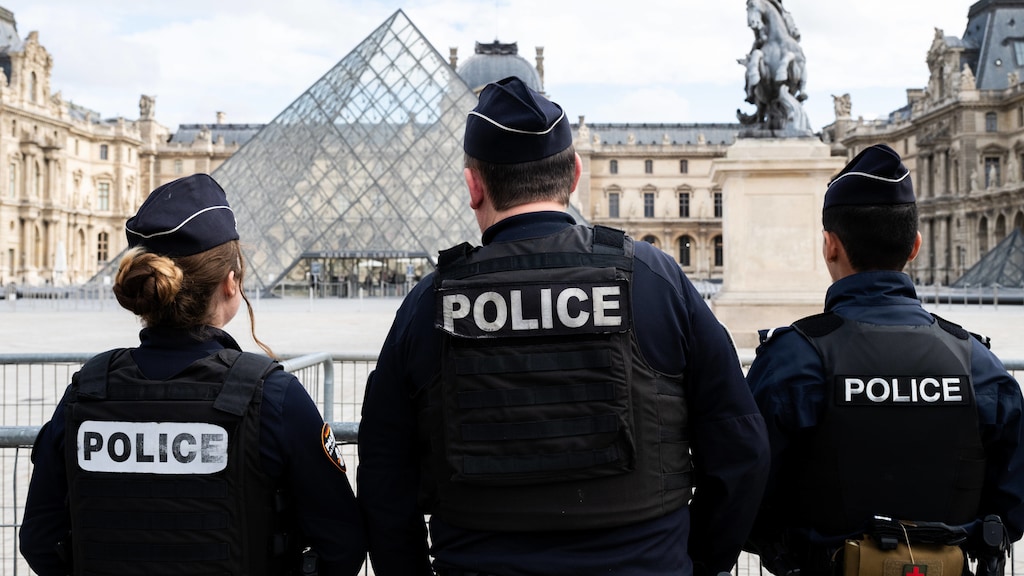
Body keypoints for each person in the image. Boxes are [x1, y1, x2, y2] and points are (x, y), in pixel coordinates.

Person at [357, 76, 770, 576]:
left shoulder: (429, 302)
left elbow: (382, 474)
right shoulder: (656, 279)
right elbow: (740, 445)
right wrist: (696, 561)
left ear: (473, 186)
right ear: (575, 174)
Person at [20, 174, 367, 576]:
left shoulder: (88, 391)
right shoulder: (273, 396)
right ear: (231, 282)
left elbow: (40, 541)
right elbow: (341, 545)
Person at [745, 144, 1024, 576]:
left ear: (830, 246)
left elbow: (746, 495)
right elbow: (1013, 507)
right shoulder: (978, 364)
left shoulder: (790, 361)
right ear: (915, 246)